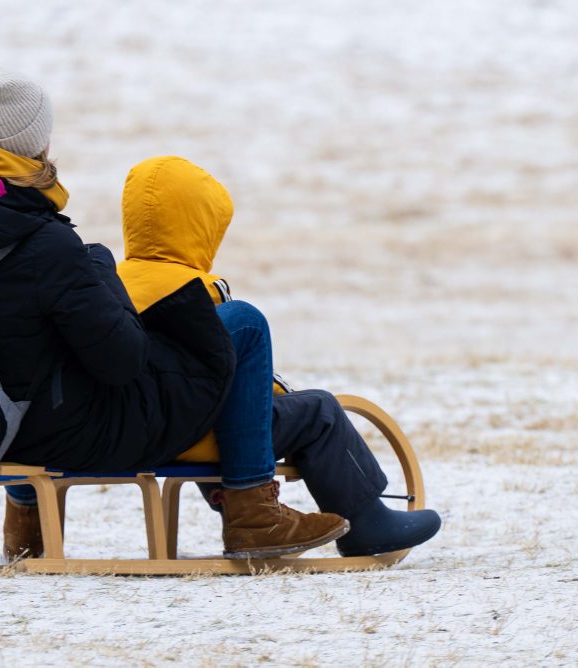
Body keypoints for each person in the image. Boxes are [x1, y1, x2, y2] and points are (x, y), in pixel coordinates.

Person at [0, 68, 347, 561]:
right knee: (244, 323)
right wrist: (102, 273)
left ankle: (27, 526)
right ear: (38, 143)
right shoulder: (45, 241)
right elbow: (122, 362)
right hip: (72, 435)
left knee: (30, 357)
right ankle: (253, 512)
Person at [114, 156, 442, 558]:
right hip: (191, 436)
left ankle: (234, 504)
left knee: (213, 409)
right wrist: (284, 394)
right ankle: (366, 522)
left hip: (135, 427)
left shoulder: (114, 284)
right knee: (317, 410)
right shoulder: (200, 289)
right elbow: (234, 367)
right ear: (202, 227)